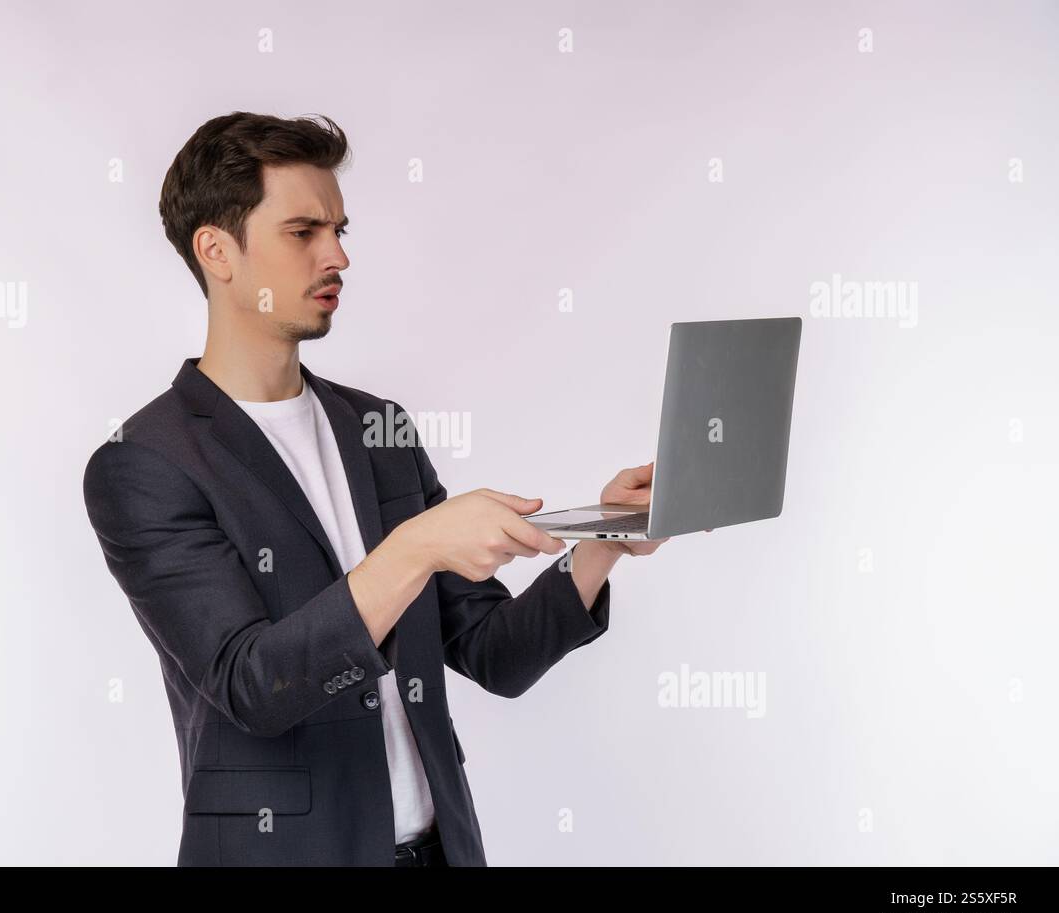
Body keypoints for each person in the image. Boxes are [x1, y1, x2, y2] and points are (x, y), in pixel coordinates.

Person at [82, 111, 667, 866]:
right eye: (304, 232)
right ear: (216, 250)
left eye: (340, 229)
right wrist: (418, 546)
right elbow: (253, 684)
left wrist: (602, 541)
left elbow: (495, 655)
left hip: (438, 851)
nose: (339, 256)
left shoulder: (377, 428)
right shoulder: (144, 464)